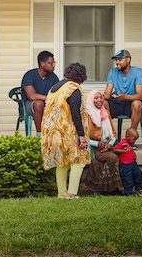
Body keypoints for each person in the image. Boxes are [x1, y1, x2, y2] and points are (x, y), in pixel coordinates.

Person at [41, 62, 91, 199]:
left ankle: (62, 194)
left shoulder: (54, 88)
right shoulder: (73, 89)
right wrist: (81, 135)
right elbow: (76, 114)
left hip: (52, 132)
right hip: (67, 131)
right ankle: (72, 194)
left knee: (62, 162)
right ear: (81, 77)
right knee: (79, 160)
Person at [81, 89, 123, 195]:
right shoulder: (87, 116)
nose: (99, 100)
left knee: (122, 155)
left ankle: (109, 187)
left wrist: (110, 144)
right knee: (112, 158)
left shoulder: (105, 113)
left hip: (106, 146)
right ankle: (108, 188)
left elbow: (113, 134)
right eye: (96, 98)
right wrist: (97, 144)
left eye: (101, 97)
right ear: (91, 100)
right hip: (94, 147)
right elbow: (83, 137)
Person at [103, 49, 142, 136]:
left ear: (128, 59)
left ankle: (130, 138)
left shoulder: (138, 72)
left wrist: (125, 97)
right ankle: (110, 136)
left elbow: (140, 96)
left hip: (130, 104)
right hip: (117, 102)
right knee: (103, 103)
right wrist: (102, 96)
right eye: (116, 60)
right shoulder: (113, 72)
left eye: (120, 60)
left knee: (138, 104)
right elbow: (108, 93)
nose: (117, 62)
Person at [20, 50, 59, 135]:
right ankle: (40, 135)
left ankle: (58, 136)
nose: (53, 65)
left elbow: (57, 94)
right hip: (29, 106)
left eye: (53, 63)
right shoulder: (29, 75)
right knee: (39, 104)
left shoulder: (53, 77)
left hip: (48, 105)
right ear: (42, 64)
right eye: (50, 63)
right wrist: (49, 98)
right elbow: (32, 96)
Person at [113, 127, 142, 196]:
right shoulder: (122, 143)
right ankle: (128, 192)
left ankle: (139, 189)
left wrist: (133, 153)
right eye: (134, 139)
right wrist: (123, 151)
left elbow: (130, 150)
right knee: (128, 179)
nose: (134, 141)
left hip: (133, 164)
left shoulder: (130, 144)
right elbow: (115, 149)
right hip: (125, 166)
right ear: (127, 137)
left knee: (138, 175)